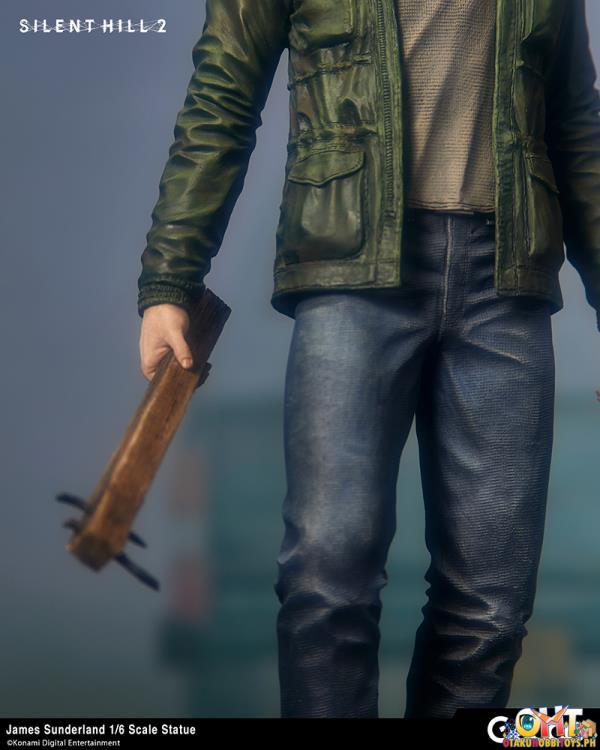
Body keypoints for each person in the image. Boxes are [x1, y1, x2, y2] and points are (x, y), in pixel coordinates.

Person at [137, 0, 600, 718]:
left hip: (506, 279)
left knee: (492, 605)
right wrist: (171, 278)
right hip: (350, 266)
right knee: (327, 578)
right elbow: (223, 93)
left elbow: (575, 123)